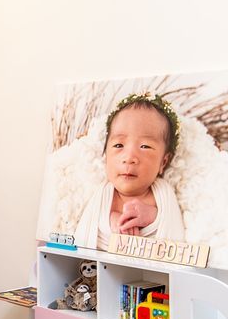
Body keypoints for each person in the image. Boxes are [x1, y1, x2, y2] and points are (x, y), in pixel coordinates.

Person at [75, 92, 186, 250]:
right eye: (118, 145)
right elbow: (89, 230)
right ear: (105, 155)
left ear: (163, 162)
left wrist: (152, 216)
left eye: (145, 146)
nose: (129, 158)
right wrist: (113, 220)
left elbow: (172, 231)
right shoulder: (103, 194)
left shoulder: (162, 194)